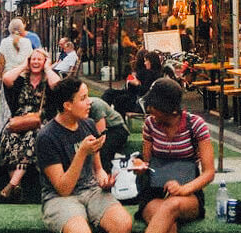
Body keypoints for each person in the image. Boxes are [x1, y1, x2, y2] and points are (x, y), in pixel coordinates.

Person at [36, 78, 132, 233]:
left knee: (123, 224)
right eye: (83, 98)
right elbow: (63, 189)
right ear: (67, 105)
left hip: (92, 191)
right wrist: (81, 152)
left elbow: (98, 169)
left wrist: (104, 181)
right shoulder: (47, 137)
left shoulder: (89, 125)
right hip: (60, 198)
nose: (90, 102)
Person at [132, 78, 215, 233]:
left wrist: (183, 189)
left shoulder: (196, 125)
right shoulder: (150, 125)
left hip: (188, 194)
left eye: (154, 106)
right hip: (155, 193)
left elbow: (209, 173)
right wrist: (140, 166)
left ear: (168, 108)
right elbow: (147, 162)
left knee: (170, 206)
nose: (150, 109)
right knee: (169, 225)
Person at [0, 48, 60, 200]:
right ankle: (16, 188)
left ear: (45, 61)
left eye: (40, 59)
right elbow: (6, 78)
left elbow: (57, 85)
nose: (36, 62)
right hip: (19, 120)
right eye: (33, 59)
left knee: (33, 137)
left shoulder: (48, 81)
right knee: (9, 137)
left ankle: (12, 184)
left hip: (40, 121)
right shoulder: (21, 81)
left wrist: (48, 68)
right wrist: (23, 66)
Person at [0, 18, 33, 133]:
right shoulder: (27, 42)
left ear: (9, 28)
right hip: (22, 77)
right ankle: (21, 127)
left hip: (8, 77)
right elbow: (29, 60)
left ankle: (5, 130)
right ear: (22, 28)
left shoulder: (4, 42)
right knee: (20, 104)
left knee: (7, 106)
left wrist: (0, 75)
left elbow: (1, 61)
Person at [113, 51, 163, 119]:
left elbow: (143, 91)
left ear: (151, 62)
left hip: (142, 102)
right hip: (139, 98)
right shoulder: (152, 73)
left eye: (146, 61)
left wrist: (136, 83)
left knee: (119, 100)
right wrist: (132, 81)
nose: (145, 63)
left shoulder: (151, 74)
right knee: (114, 96)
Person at [88, 97, 130, 173]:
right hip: (103, 129)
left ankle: (106, 174)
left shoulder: (96, 106)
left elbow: (101, 134)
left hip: (116, 128)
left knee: (103, 151)